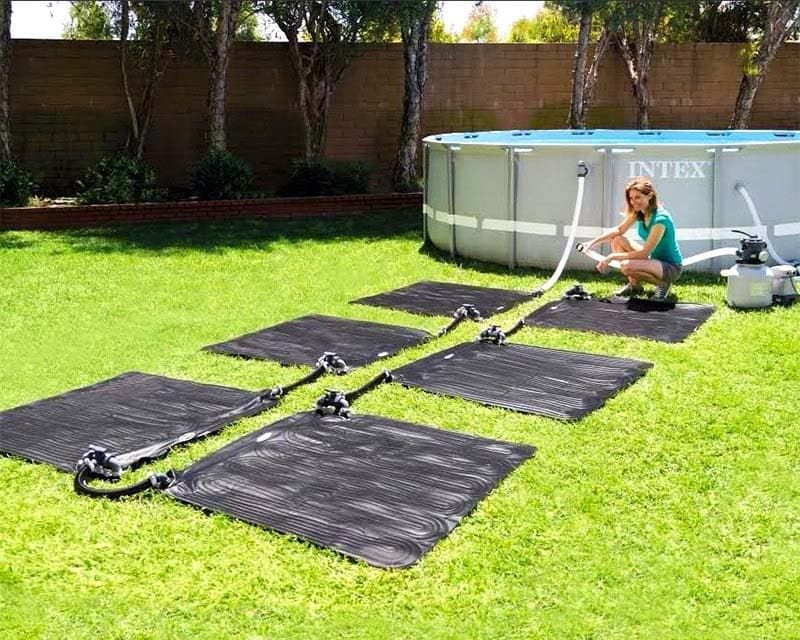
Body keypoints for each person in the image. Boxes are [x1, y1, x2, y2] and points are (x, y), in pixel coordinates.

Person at [582, 177, 683, 300]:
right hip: (654, 259)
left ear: (650, 196)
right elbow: (619, 230)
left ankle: (662, 284)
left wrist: (612, 257)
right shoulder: (639, 212)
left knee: (626, 266)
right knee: (617, 239)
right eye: (631, 198)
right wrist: (592, 243)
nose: (633, 202)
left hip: (670, 266)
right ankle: (634, 286)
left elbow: (644, 253)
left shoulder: (661, 219)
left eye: (638, 197)